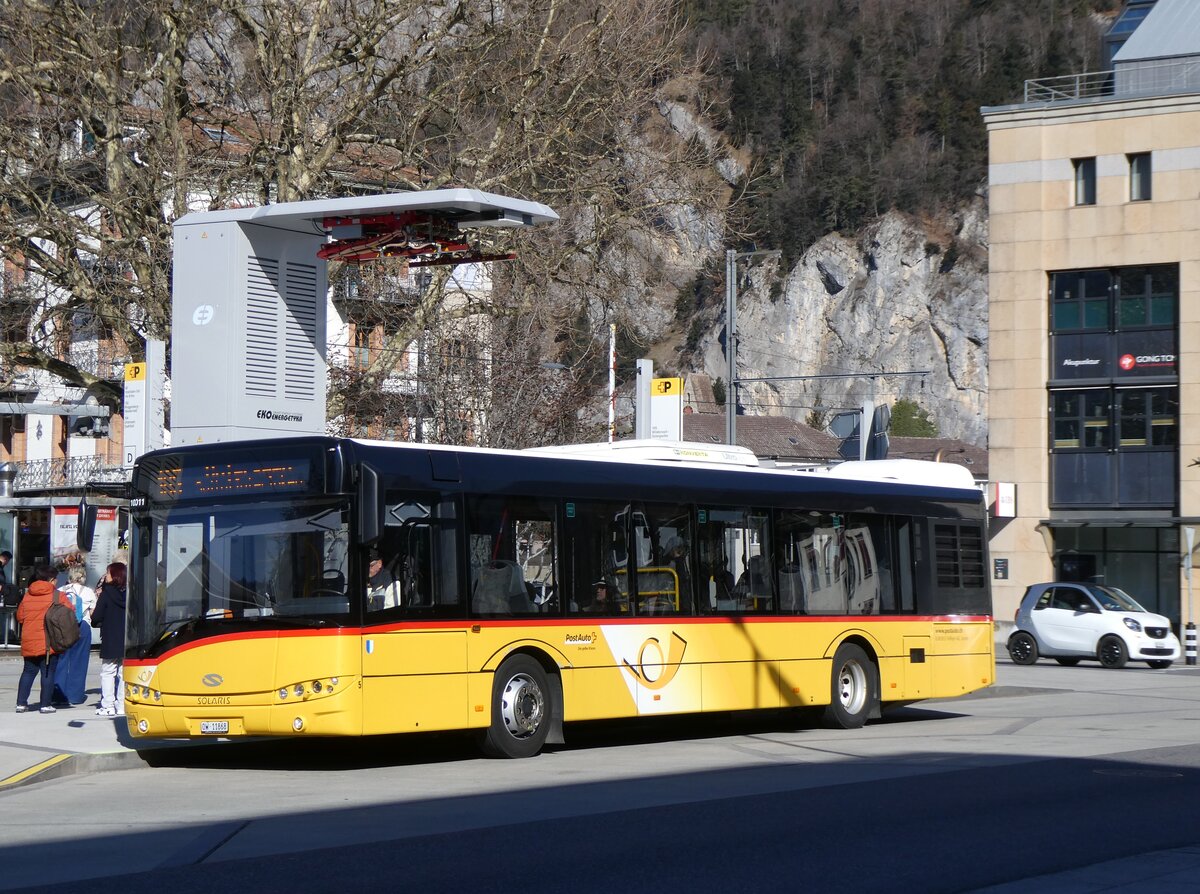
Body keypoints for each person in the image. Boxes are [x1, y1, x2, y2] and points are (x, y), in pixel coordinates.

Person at [14, 564, 72, 714]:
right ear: (51, 580)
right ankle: (45, 704)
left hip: (29, 640)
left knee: (28, 671)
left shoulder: (28, 595)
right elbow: (70, 613)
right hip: (49, 641)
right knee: (47, 672)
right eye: (56, 580)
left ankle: (21, 703)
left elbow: (20, 617)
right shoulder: (58, 596)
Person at [53, 565, 96, 706]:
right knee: (79, 662)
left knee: (61, 661)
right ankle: (75, 696)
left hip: (62, 628)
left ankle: (58, 695)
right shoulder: (89, 592)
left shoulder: (59, 591)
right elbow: (92, 613)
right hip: (82, 626)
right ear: (83, 577)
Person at [90, 562, 127, 717]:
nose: (106, 576)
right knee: (124, 674)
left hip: (110, 637)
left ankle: (107, 705)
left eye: (108, 573)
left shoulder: (106, 594)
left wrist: (97, 620)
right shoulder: (130, 593)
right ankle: (122, 705)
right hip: (127, 638)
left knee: (108, 672)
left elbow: (97, 616)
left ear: (115, 575)